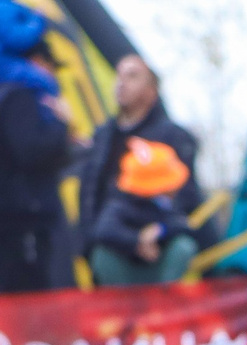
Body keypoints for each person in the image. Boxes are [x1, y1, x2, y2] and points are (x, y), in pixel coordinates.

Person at [76, 55, 202, 288]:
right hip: (110, 246)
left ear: (151, 91)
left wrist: (159, 232)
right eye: (119, 76)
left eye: (132, 76)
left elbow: (187, 199)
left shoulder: (174, 137)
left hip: (161, 248)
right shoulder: (102, 137)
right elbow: (89, 197)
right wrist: (93, 244)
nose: (121, 83)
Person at [0, 29, 71, 293]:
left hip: (8, 214)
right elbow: (31, 151)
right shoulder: (20, 96)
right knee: (29, 295)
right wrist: (61, 125)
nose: (53, 76)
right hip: (21, 217)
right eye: (51, 67)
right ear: (36, 61)